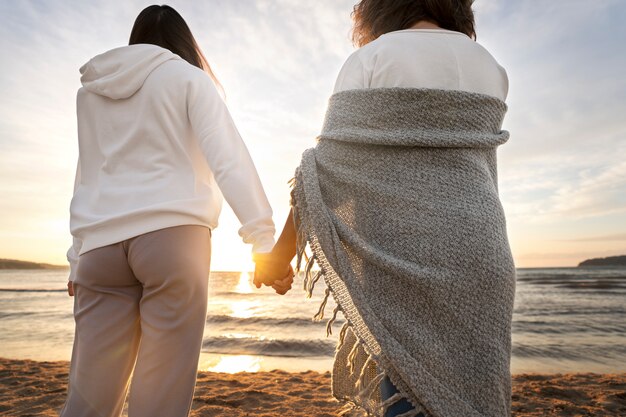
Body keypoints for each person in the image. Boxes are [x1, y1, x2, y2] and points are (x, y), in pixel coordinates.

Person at [254, 1, 515, 416]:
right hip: (480, 250)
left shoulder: (369, 60)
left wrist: (277, 256)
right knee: (476, 391)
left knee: (407, 392)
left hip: (396, 251)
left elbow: (326, 171)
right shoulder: (489, 66)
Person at [60, 5, 277, 417]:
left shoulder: (90, 93)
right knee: (159, 399)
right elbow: (227, 159)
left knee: (88, 401)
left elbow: (86, 174)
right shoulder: (189, 78)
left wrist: (75, 256)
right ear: (183, 42)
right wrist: (262, 239)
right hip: (173, 241)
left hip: (98, 250)